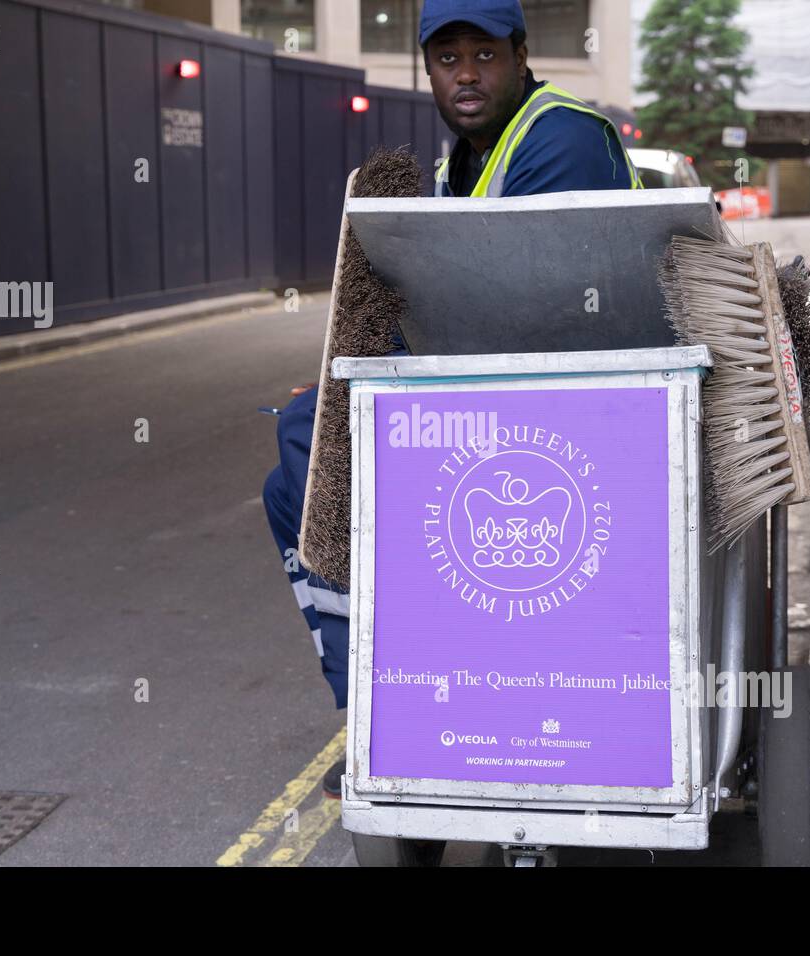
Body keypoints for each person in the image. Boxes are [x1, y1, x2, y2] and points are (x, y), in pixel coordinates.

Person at [261, 0, 642, 799]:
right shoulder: (460, 164)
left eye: (483, 54)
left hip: (578, 407)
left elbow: (518, 309)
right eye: (446, 58)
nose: (465, 75)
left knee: (308, 441)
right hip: (508, 386)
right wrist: (347, 371)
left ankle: (376, 700)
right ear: (427, 68)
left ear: (521, 54)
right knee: (296, 453)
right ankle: (381, 689)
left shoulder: (560, 137)